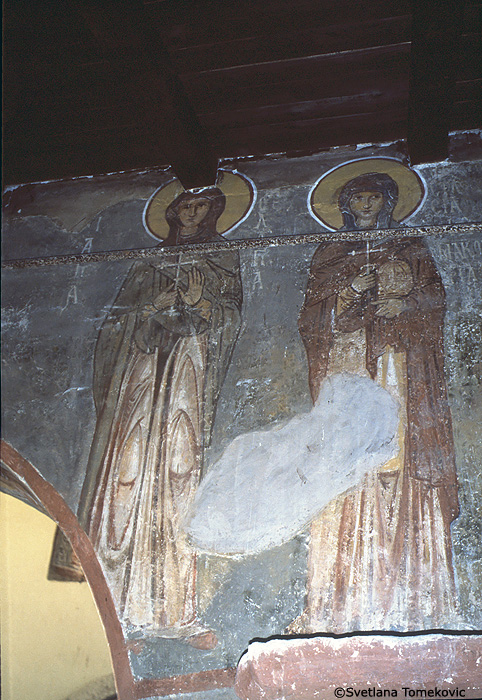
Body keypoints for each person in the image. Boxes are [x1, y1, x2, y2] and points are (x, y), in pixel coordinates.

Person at [292, 172, 459, 632]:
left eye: (373, 196)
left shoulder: (410, 245)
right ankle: (339, 601)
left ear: (387, 201)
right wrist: (350, 292)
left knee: (399, 463)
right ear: (346, 204)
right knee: (347, 472)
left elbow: (435, 300)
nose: (365, 203)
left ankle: (419, 599)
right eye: (357, 197)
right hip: (347, 375)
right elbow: (312, 320)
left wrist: (403, 307)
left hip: (397, 368)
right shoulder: (329, 254)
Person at [77, 188, 242, 648]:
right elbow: (116, 324)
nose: (192, 212)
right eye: (185, 205)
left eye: (201, 206)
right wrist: (149, 309)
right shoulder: (147, 265)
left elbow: (229, 318)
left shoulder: (222, 261)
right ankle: (113, 613)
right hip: (141, 383)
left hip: (186, 379)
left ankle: (174, 613)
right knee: (124, 481)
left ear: (213, 212)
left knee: (178, 479)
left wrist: (200, 302)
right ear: (171, 212)